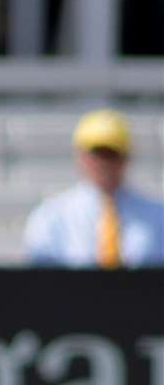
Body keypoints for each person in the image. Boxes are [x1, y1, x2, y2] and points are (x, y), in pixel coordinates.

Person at [23, 109, 164, 267]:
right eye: (96, 153)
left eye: (111, 154)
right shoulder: (51, 217)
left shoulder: (158, 217)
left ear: (126, 157)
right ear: (80, 156)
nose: (103, 162)